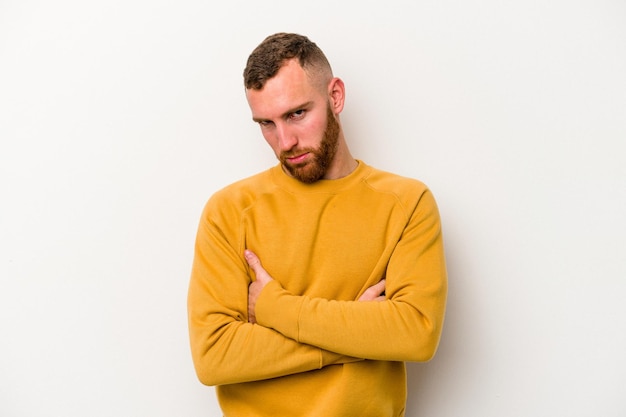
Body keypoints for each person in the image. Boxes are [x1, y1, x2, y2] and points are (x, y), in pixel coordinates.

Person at [187, 32, 447, 416]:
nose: (285, 141)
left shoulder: (406, 204)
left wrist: (275, 309)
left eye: (297, 114)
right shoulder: (229, 210)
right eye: (266, 123)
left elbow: (416, 332)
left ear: (335, 96)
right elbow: (215, 357)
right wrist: (361, 334)